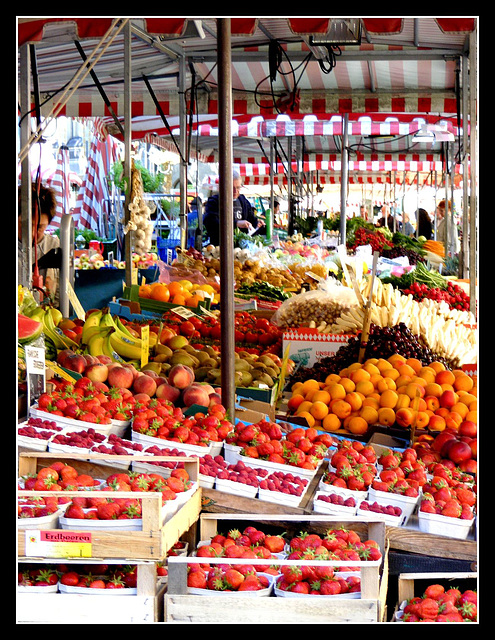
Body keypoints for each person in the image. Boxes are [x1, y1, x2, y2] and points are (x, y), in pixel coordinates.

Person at [18, 181, 61, 306]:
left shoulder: (55, 247)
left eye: (39, 227)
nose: (31, 234)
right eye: (25, 225)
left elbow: (62, 295)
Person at [203, 171, 264, 245]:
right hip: (220, 247)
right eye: (232, 188)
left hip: (242, 248)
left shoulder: (243, 201)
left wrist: (257, 223)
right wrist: (236, 223)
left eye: (238, 187)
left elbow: (251, 219)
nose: (235, 191)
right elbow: (211, 223)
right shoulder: (214, 202)